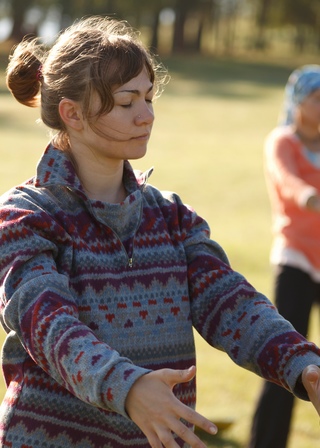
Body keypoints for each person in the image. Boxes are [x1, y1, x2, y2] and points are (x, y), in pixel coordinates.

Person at [0, 16, 319, 448]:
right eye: (127, 101)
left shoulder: (171, 217)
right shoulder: (26, 217)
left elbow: (230, 303)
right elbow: (50, 327)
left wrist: (302, 363)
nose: (146, 114)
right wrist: (128, 388)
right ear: (71, 113)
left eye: (149, 97)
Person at [248, 65, 320, 448]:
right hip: (295, 260)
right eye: (317, 98)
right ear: (299, 102)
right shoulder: (283, 141)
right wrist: (309, 196)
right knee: (289, 361)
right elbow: (288, 179)